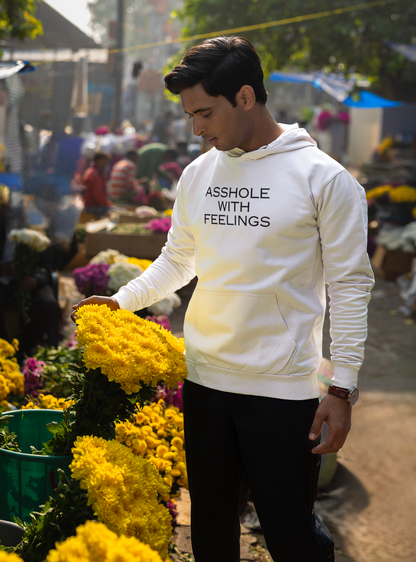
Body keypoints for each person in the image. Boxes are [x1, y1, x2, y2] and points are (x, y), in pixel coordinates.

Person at [72, 36, 374, 562]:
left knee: (291, 537)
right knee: (211, 534)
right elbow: (177, 260)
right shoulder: (199, 174)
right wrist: (121, 301)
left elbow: (350, 284)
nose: (196, 129)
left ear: (246, 97)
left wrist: (342, 388)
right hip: (207, 381)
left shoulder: (324, 179)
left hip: (283, 391)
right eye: (190, 115)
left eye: (205, 113)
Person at [81, 152, 113, 216]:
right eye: (104, 161)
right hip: (92, 205)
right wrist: (109, 206)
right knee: (118, 212)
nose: (105, 163)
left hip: (92, 204)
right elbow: (97, 195)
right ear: (97, 161)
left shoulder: (93, 171)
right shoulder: (95, 174)